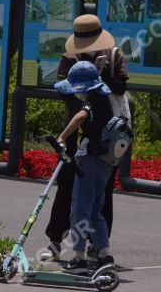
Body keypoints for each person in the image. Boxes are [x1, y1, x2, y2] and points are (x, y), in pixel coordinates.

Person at [41, 14, 129, 261]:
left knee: (102, 191)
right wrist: (83, 104)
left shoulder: (113, 56)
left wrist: (103, 74)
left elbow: (120, 88)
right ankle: (56, 239)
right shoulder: (70, 58)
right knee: (67, 184)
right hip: (75, 132)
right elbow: (63, 89)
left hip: (105, 135)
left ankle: (98, 245)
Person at [54, 61, 115, 273]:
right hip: (105, 162)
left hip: (90, 160)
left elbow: (81, 115)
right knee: (95, 210)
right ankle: (105, 254)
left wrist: (62, 137)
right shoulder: (106, 99)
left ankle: (78, 258)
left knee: (79, 208)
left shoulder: (92, 101)